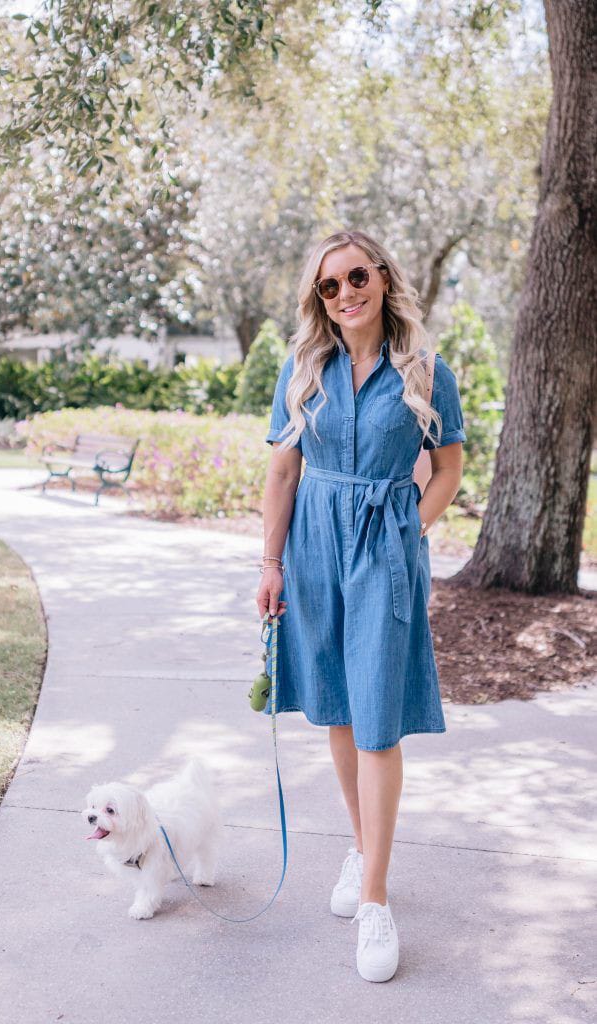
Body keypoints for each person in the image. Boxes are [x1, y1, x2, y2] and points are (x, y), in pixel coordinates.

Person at [255, 229, 467, 983]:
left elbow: (448, 465)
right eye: (327, 286)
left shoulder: (424, 369)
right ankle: (359, 848)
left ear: (380, 274)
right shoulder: (302, 367)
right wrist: (270, 562)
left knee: (377, 717)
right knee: (340, 711)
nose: (343, 293)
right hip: (312, 546)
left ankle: (374, 898)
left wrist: (411, 517)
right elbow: (282, 474)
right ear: (319, 299)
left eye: (354, 277)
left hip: (383, 549)